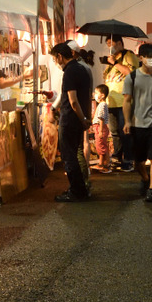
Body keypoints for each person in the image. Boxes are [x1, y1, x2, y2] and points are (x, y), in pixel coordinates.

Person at [122, 43, 152, 203]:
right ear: (140, 58)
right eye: (149, 57)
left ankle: (151, 189)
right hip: (137, 123)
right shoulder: (132, 77)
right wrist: (127, 121)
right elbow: (127, 101)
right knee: (138, 161)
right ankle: (144, 178)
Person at [51, 42, 92, 202]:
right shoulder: (82, 69)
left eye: (55, 58)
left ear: (60, 56)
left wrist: (82, 119)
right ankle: (80, 189)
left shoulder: (69, 72)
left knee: (69, 157)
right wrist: (85, 119)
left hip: (69, 119)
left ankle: (77, 192)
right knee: (74, 154)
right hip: (78, 120)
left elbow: (73, 101)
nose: (56, 62)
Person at [102, 35, 139, 172]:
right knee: (115, 132)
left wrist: (115, 63)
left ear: (119, 43)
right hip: (111, 101)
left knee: (126, 131)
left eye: (111, 43)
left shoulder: (128, 55)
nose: (109, 46)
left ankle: (129, 159)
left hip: (124, 101)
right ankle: (117, 156)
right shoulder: (111, 60)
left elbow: (131, 73)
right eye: (107, 44)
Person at [92, 84, 111, 174]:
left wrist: (100, 130)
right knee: (102, 146)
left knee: (101, 146)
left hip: (100, 127)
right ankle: (103, 164)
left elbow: (101, 118)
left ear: (102, 95)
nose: (94, 95)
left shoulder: (102, 105)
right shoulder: (102, 105)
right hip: (100, 127)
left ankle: (104, 165)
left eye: (96, 93)